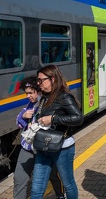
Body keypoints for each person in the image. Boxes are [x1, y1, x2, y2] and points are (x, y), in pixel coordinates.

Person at [31, 65, 83, 199]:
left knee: (68, 184)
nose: (38, 83)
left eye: (41, 80)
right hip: (44, 147)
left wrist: (53, 119)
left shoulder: (64, 97)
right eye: (38, 80)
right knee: (36, 188)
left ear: (52, 79)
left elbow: (78, 118)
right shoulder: (44, 98)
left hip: (63, 148)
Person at [13, 76, 64, 199]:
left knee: (53, 175)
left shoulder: (49, 103)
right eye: (26, 93)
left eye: (31, 93)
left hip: (45, 147)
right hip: (28, 147)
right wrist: (23, 117)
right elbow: (18, 122)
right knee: (19, 179)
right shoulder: (29, 106)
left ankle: (60, 195)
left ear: (39, 91)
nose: (27, 96)